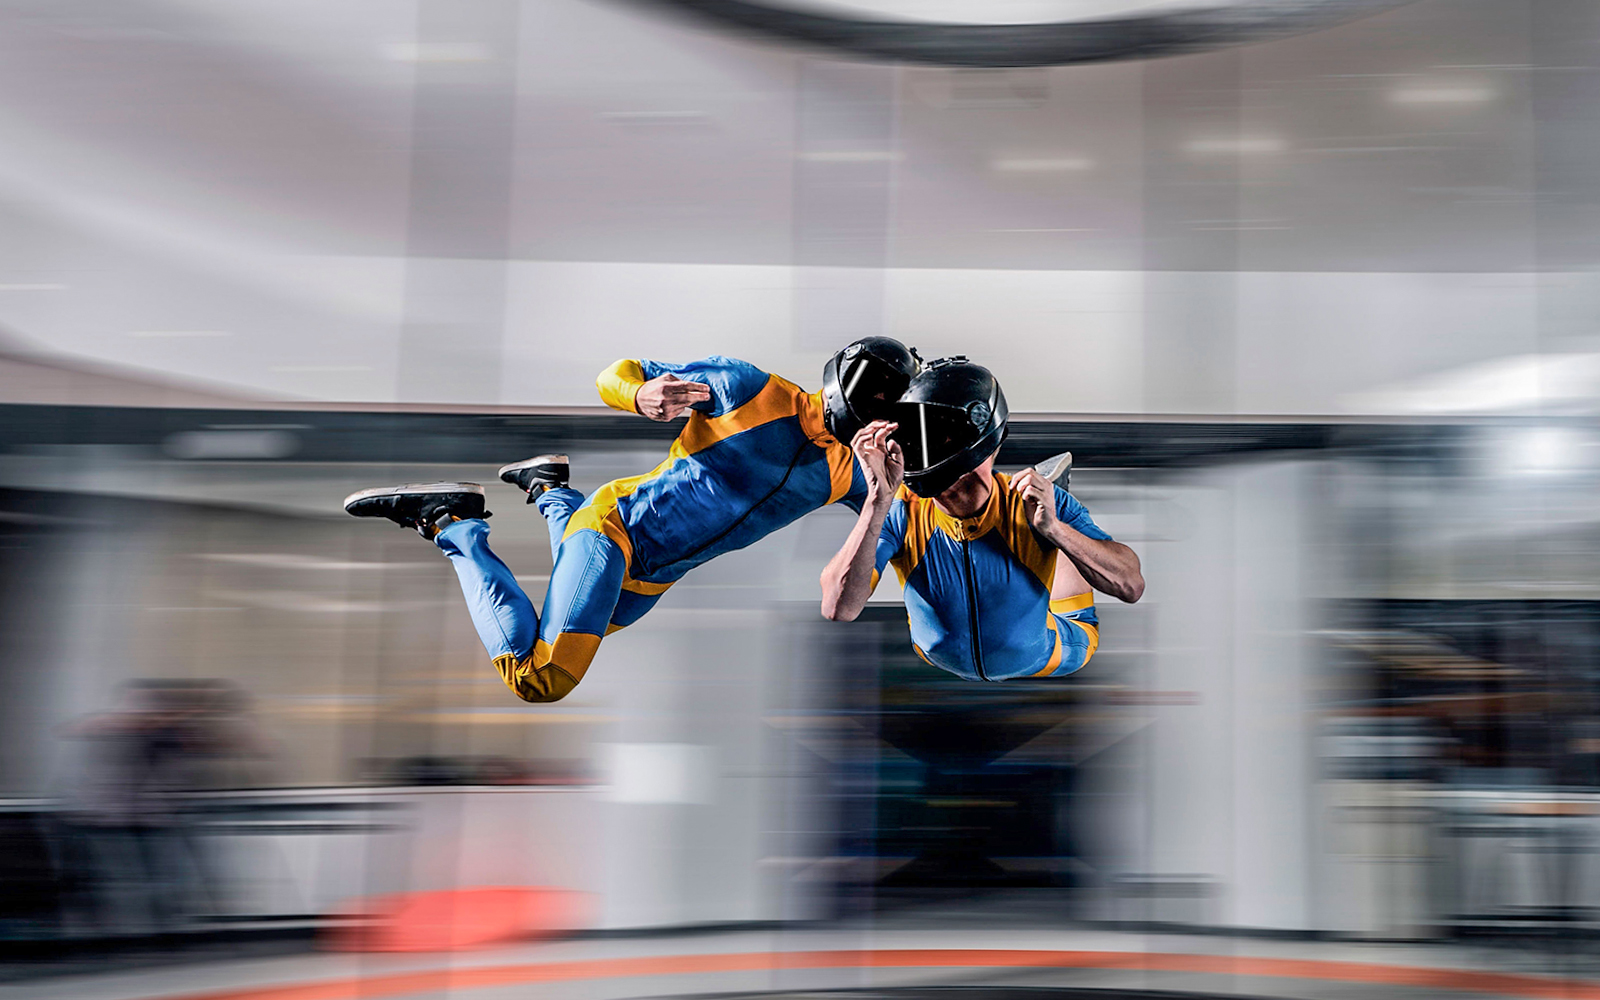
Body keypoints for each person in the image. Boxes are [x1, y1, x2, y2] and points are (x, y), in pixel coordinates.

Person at [344, 338, 922, 702]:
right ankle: (450, 521)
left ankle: (549, 487)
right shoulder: (750, 388)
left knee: (570, 611)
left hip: (650, 580)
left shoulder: (856, 472)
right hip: (616, 526)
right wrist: (639, 392)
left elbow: (911, 524)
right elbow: (616, 373)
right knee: (541, 678)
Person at [820, 357, 1144, 681]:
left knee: (1052, 532)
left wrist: (1055, 529)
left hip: (1049, 650)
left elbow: (1131, 586)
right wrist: (876, 502)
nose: (914, 447)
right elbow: (838, 607)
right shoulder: (900, 512)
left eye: (931, 433)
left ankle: (1054, 538)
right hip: (936, 653)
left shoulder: (1029, 501)